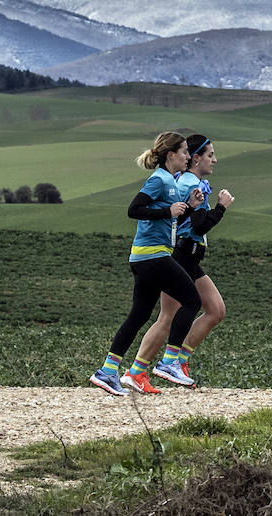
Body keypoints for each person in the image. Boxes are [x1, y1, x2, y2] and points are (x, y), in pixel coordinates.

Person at [88, 131, 203, 396]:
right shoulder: (159, 179)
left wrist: (189, 206)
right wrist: (168, 210)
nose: (188, 156)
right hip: (153, 256)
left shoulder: (169, 182)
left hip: (144, 256)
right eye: (185, 152)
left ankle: (107, 370)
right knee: (192, 301)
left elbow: (167, 216)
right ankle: (169, 362)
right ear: (171, 155)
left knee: (139, 314)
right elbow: (134, 210)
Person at [121, 133, 234, 393]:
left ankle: (174, 362)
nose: (215, 160)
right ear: (196, 159)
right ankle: (146, 369)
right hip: (181, 254)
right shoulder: (189, 184)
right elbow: (197, 224)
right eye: (210, 155)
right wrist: (221, 208)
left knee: (215, 309)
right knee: (168, 317)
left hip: (191, 256)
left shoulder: (191, 182)